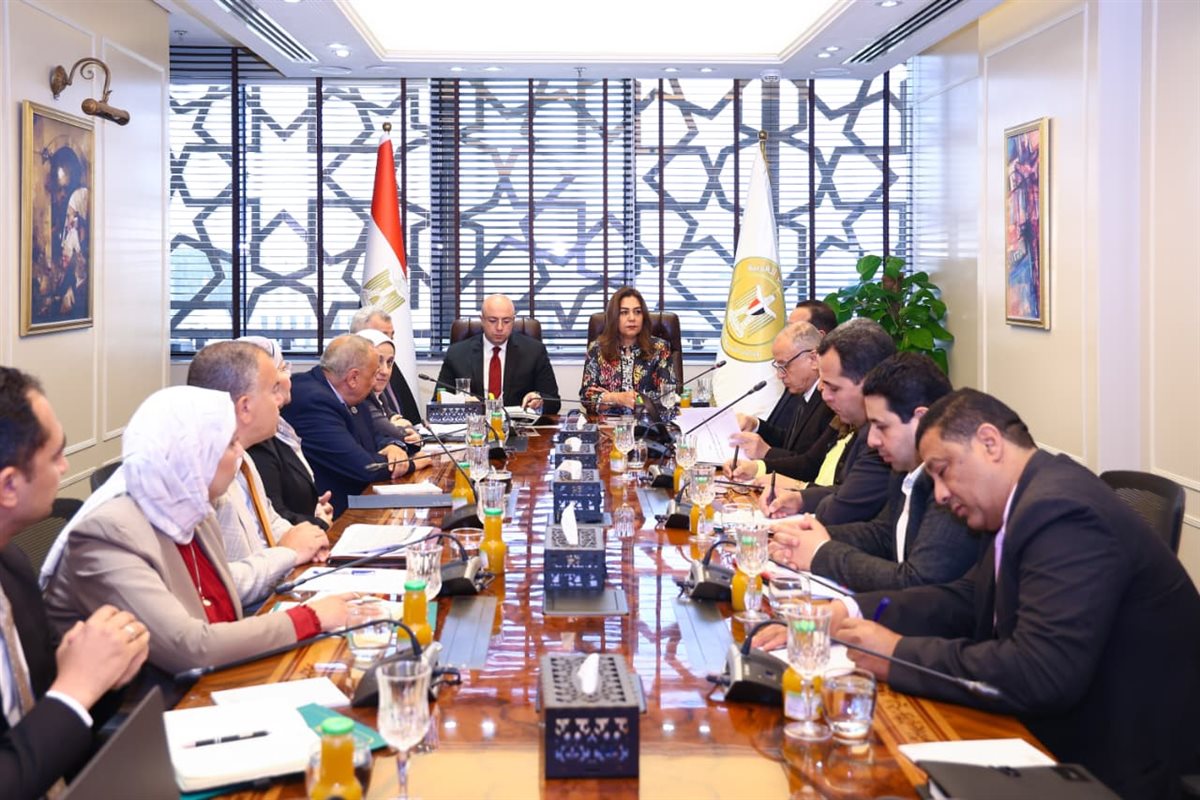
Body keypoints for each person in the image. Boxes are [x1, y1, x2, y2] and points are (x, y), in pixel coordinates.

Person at [817, 389, 1200, 799]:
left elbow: (1041, 671)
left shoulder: (1062, 510)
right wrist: (850, 610)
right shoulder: (1023, 498)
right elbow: (967, 599)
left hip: (1121, 762)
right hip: (1062, 728)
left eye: (943, 471)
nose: (940, 494)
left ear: (989, 443)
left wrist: (897, 654)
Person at [42, 387, 350, 676]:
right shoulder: (109, 533)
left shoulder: (191, 508)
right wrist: (311, 617)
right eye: (230, 444)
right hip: (157, 700)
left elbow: (221, 595)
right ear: (193, 455)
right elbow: (191, 647)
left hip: (214, 677)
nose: (240, 453)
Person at [0, 368, 149, 799]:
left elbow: (50, 714)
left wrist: (107, 674)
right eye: (56, 456)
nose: (66, 468)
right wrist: (76, 688)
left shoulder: (12, 564)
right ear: (9, 485)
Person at [768, 352, 978, 592]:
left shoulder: (954, 484)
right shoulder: (904, 468)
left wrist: (821, 553)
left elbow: (917, 582)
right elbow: (884, 534)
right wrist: (804, 536)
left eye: (882, 427)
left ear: (922, 419)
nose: (872, 441)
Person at [187, 341, 330, 605]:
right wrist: (288, 553)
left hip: (275, 588)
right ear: (245, 406)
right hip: (245, 612)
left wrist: (309, 538)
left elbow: (270, 520)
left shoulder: (244, 458)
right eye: (273, 390)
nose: (280, 399)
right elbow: (216, 585)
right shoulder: (201, 473)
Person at [758, 317, 895, 525]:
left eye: (834, 388)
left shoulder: (880, 437)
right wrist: (800, 498)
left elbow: (846, 506)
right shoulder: (855, 423)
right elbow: (840, 490)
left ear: (870, 383)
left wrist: (800, 493)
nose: (824, 395)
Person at [283, 335, 412, 516]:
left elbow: (374, 435)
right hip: (334, 513)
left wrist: (392, 446)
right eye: (373, 374)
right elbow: (365, 468)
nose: (375, 381)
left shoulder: (347, 393)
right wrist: (412, 463)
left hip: (358, 499)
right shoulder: (312, 401)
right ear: (353, 378)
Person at [238, 337, 333, 531]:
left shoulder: (280, 429)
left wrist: (314, 507)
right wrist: (319, 523)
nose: (289, 376)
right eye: (282, 369)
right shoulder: (255, 439)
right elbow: (268, 520)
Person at [724, 321, 836, 482]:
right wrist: (757, 425)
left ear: (813, 359)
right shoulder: (802, 390)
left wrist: (766, 453)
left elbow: (812, 465)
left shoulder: (831, 400)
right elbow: (790, 442)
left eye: (784, 366)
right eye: (777, 366)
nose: (779, 375)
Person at [437, 294, 561, 414]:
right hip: (474, 423)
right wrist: (460, 402)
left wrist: (539, 400)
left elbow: (554, 402)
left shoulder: (534, 351)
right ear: (482, 320)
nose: (500, 327)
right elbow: (438, 401)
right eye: (493, 321)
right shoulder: (456, 354)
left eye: (506, 321)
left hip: (518, 425)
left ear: (513, 320)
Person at [580, 286, 673, 413]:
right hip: (607, 423)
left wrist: (609, 397)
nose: (632, 318)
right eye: (624, 312)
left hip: (647, 422)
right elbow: (587, 397)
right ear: (614, 317)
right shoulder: (597, 349)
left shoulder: (660, 348)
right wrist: (617, 398)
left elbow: (668, 395)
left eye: (637, 312)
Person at [354, 329, 427, 452]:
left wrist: (412, 433)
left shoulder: (380, 396)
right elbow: (397, 434)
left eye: (389, 362)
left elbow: (408, 431)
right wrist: (399, 427)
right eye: (378, 361)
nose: (385, 371)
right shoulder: (360, 398)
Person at [349, 306, 423, 423]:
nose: (388, 341)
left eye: (391, 336)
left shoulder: (389, 365)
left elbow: (410, 416)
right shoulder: (351, 386)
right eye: (381, 335)